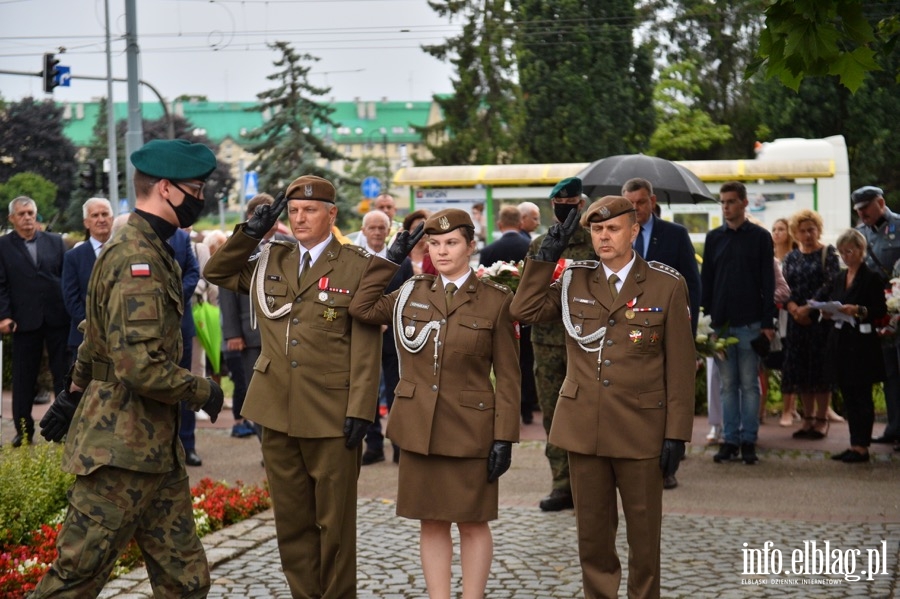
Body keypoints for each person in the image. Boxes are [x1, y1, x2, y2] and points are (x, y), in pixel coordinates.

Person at [32, 139, 224, 597]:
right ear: (166, 189)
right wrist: (205, 392)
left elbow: (95, 335)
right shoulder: (137, 258)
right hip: (118, 454)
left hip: (153, 450)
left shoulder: (144, 247)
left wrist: (73, 393)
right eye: (195, 188)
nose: (201, 197)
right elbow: (139, 367)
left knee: (186, 580)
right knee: (75, 578)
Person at [204, 175, 384, 598]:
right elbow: (217, 271)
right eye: (295, 211)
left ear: (331, 214)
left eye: (311, 210)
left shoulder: (358, 264)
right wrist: (249, 232)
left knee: (335, 525)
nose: (301, 218)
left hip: (332, 410)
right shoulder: (272, 258)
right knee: (292, 521)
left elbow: (365, 343)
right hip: (276, 408)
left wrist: (362, 407)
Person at [510, 195, 695, 599]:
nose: (604, 236)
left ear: (634, 231)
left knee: (644, 540)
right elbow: (522, 309)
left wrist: (676, 433)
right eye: (597, 229)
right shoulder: (575, 279)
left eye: (613, 228)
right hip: (585, 428)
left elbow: (681, 365)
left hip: (641, 428)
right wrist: (545, 256)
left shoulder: (665, 284)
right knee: (592, 538)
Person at [349, 208, 520, 599]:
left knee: (473, 522)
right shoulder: (411, 290)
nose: (442, 251)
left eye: (452, 243)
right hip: (419, 427)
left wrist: (504, 437)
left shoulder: (495, 300)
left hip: (470, 430)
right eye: (435, 244)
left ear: (471, 246)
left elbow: (509, 377)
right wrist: (389, 260)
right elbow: (361, 307)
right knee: (431, 521)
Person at [528, 177, 596, 512]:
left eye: (570, 206)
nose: (564, 211)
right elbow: (526, 292)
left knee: (586, 415)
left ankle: (588, 483)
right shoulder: (540, 244)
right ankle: (561, 484)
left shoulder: (595, 244)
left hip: (585, 342)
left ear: (580, 206)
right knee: (553, 417)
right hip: (547, 342)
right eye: (559, 206)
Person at [702, 181, 776, 465]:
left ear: (744, 203)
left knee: (749, 383)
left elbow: (768, 282)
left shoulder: (760, 237)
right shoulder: (714, 238)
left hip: (751, 323)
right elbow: (706, 281)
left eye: (731, 201)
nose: (726, 206)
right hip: (719, 324)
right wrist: (705, 321)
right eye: (722, 202)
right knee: (726, 385)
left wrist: (768, 321)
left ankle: (749, 440)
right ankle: (730, 439)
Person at [218, 193, 294, 439]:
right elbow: (226, 289)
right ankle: (267, 444)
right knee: (258, 395)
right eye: (265, 214)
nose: (272, 220)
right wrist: (232, 333)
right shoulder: (238, 245)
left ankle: (283, 446)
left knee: (286, 394)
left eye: (275, 215)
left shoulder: (290, 244)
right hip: (250, 334)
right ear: (252, 217)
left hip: (284, 332)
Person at [0, 196, 69, 447]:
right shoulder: (3, 246)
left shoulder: (55, 242)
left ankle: (63, 428)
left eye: (31, 212)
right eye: (22, 214)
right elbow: (1, 285)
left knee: (63, 375)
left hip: (57, 318)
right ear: (12, 219)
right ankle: (24, 430)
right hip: (23, 321)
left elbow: (65, 277)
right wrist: (4, 315)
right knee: (24, 378)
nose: (27, 217)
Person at [819, 229, 887, 462]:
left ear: (860, 250)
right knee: (848, 394)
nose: (846, 256)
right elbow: (833, 300)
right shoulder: (840, 277)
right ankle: (854, 442)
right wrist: (828, 312)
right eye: (842, 253)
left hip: (861, 343)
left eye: (849, 251)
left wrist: (858, 310)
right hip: (841, 341)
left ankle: (862, 446)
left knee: (861, 395)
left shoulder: (871, 277)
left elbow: (880, 310)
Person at [358, 209, 414, 465]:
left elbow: (410, 295)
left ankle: (399, 443)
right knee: (366, 392)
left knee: (396, 392)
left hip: (394, 336)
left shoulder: (402, 261)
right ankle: (373, 445)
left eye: (382, 227)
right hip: (364, 335)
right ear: (364, 231)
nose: (378, 232)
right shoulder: (355, 259)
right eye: (373, 228)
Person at [781, 209, 840, 439]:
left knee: (821, 370)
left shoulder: (828, 253)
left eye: (811, 230)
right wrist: (793, 307)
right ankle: (807, 419)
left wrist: (809, 307)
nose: (807, 234)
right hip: (797, 322)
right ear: (795, 233)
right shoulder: (791, 257)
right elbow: (783, 285)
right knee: (801, 369)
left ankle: (822, 418)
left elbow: (831, 283)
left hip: (819, 321)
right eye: (802, 231)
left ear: (818, 230)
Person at [621, 178, 701, 337]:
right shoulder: (617, 235)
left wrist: (689, 328)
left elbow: (691, 284)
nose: (635, 208)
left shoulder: (676, 235)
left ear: (652, 201)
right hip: (625, 325)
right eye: (630, 203)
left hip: (666, 323)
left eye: (641, 202)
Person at [479, 204, 535, 424]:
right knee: (526, 361)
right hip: (526, 313)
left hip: (497, 314)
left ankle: (501, 408)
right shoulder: (530, 246)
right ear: (520, 223)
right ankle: (527, 410)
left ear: (500, 224)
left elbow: (483, 281)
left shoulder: (488, 250)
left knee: (499, 363)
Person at [853, 185, 900, 449]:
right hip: (877, 315)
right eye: (858, 210)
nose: (861, 214)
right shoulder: (859, 234)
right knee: (889, 374)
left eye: (865, 208)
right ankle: (894, 427)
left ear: (880, 202)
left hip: (899, 310)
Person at [61, 197, 113, 360]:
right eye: (95, 215)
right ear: (86, 222)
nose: (101, 219)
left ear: (112, 219)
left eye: (105, 214)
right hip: (85, 338)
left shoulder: (126, 251)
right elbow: (71, 298)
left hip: (122, 338)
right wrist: (92, 326)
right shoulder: (73, 257)